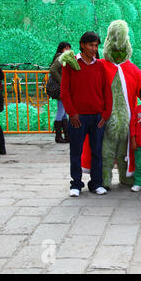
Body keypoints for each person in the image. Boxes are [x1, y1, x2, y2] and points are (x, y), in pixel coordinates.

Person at [60, 31, 112, 197]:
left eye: (96, 46)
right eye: (91, 45)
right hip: (78, 118)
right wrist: (72, 113)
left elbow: (107, 91)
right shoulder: (71, 64)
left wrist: (105, 114)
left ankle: (96, 183)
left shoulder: (100, 66)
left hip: (97, 117)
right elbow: (65, 91)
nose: (94, 49)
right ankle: (76, 184)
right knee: (76, 152)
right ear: (82, 45)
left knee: (97, 152)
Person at [49, 42, 72, 144]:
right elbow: (53, 69)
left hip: (60, 88)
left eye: (69, 48)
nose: (68, 50)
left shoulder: (62, 57)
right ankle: (59, 136)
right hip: (60, 88)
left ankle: (66, 136)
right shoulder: (61, 57)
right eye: (66, 48)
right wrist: (62, 81)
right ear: (62, 49)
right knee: (61, 111)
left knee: (63, 113)